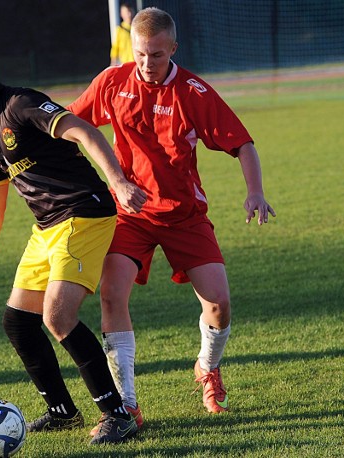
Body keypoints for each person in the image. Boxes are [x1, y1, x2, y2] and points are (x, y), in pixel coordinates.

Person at [68, 7, 275, 432]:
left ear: (173, 49)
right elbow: (70, 122)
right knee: (112, 295)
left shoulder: (194, 93)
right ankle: (126, 405)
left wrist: (254, 191)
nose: (147, 64)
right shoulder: (112, 82)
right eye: (141, 54)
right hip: (129, 212)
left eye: (157, 55)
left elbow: (243, 144)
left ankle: (207, 367)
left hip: (184, 215)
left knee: (218, 304)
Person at [0, 40, 147, 445]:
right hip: (47, 228)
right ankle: (63, 411)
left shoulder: (22, 104)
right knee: (17, 321)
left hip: (84, 212)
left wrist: (118, 181)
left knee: (57, 315)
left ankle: (117, 414)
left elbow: (83, 131)